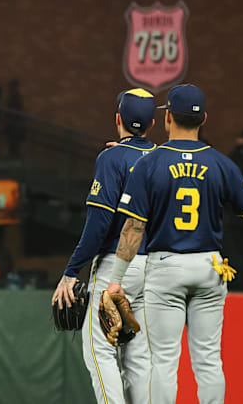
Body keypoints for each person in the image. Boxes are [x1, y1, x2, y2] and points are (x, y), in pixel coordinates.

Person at [106, 84, 243, 403]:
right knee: (208, 361)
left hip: (166, 267)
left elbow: (133, 228)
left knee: (164, 362)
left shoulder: (149, 164)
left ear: (167, 120)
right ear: (203, 119)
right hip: (210, 267)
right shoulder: (222, 164)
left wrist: (116, 279)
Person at [51, 88, 156, 404]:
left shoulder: (112, 158)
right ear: (152, 124)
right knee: (139, 356)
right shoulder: (163, 159)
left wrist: (71, 271)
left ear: (118, 119)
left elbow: (99, 223)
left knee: (100, 351)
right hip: (156, 268)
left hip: (117, 264)